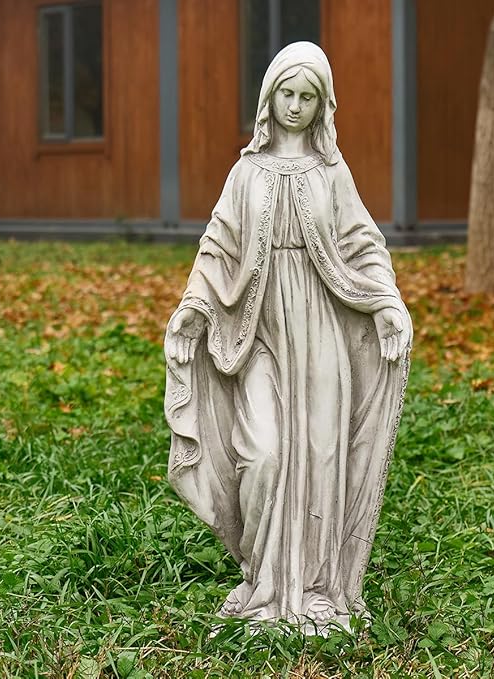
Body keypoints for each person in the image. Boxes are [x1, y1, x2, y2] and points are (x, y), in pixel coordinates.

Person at [164, 41, 411, 631]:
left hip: (322, 328)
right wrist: (194, 308)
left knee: (322, 455)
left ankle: (316, 588)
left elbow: (362, 243)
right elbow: (218, 246)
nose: (295, 106)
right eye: (287, 94)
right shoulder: (245, 173)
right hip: (258, 328)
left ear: (323, 106)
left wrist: (385, 304)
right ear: (268, 97)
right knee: (264, 453)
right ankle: (263, 580)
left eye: (307, 97)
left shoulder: (331, 172)